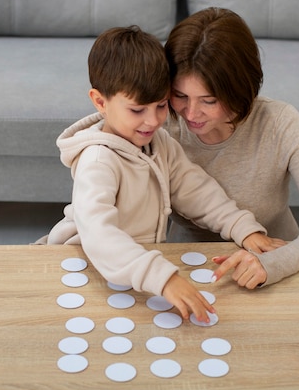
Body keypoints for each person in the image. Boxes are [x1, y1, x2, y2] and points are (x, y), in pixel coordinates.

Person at [36, 26, 285, 322]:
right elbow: (100, 236)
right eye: (137, 110)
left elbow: (194, 188)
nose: (152, 120)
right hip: (84, 261)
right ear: (100, 102)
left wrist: (241, 226)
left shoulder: (159, 143)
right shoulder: (98, 161)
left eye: (161, 105)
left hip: (133, 266)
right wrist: (163, 278)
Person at [164, 7, 299, 289]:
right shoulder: (159, 125)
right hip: (185, 266)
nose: (191, 113)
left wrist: (273, 264)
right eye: (180, 95)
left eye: (208, 100)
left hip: (276, 262)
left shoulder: (279, 122)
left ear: (240, 88)